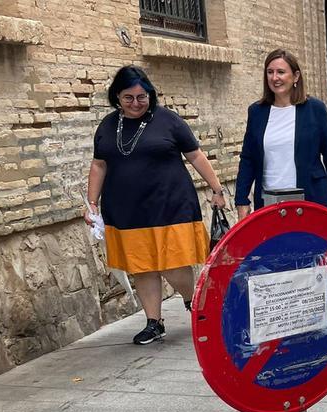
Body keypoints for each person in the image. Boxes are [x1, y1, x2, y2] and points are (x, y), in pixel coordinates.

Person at [85, 65, 226, 346]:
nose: (136, 103)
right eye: (128, 98)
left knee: (173, 264)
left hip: (170, 205)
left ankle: (193, 302)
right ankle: (154, 322)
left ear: (150, 94)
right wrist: (92, 204)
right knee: (142, 267)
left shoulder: (168, 121)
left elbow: (196, 156)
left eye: (141, 97)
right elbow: (99, 165)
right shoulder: (108, 126)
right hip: (126, 210)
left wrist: (217, 188)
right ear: (117, 97)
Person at [235, 49, 327, 222]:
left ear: (295, 77)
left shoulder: (315, 109)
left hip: (310, 198)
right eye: (270, 72)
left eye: (281, 72)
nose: (274, 78)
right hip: (269, 201)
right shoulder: (256, 112)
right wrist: (241, 200)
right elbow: (247, 159)